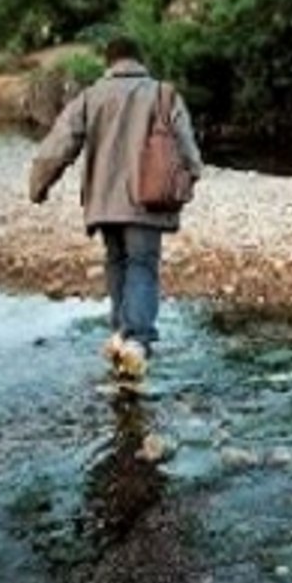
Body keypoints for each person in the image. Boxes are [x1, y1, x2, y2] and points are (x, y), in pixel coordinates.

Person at [29, 36, 203, 376]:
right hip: (148, 201)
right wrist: (189, 179)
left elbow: (58, 145)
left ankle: (120, 334)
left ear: (108, 62)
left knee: (117, 261)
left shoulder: (91, 96)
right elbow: (189, 151)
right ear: (140, 59)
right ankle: (137, 340)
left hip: (103, 203)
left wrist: (39, 185)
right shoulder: (164, 94)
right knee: (141, 264)